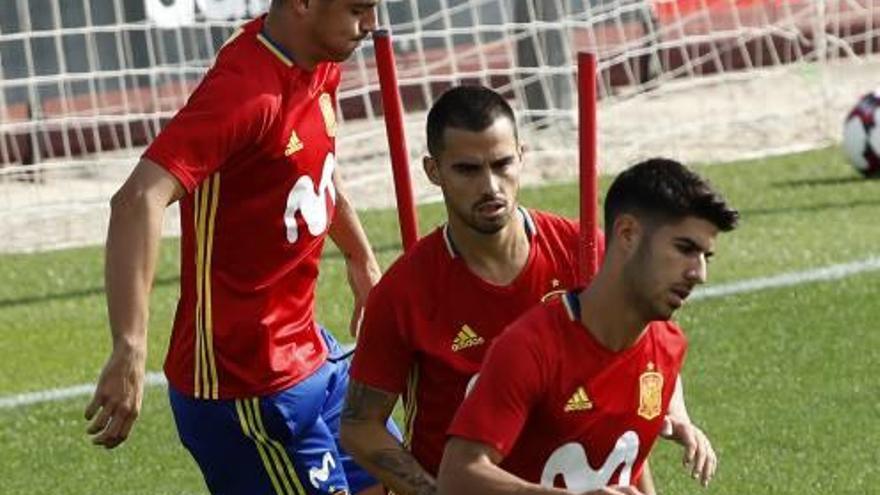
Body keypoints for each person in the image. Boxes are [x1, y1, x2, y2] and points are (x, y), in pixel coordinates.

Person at [83, 1, 397, 494]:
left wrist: (361, 259)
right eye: (358, 8)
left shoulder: (318, 60)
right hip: (246, 388)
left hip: (311, 355)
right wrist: (129, 347)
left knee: (409, 479)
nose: (370, 25)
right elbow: (137, 199)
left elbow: (318, 164)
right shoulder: (246, 93)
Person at [340, 86, 716, 495]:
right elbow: (361, 425)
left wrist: (675, 410)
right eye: (468, 169)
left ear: (522, 155)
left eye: (502, 164)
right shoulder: (403, 291)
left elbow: (643, 349)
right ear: (434, 171)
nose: (491, 187)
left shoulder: (588, 253)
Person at [436, 158, 739, 495]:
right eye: (685, 249)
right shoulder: (530, 348)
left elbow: (626, 463)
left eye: (705, 257)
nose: (699, 274)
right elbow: (457, 478)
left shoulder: (668, 346)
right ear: (627, 234)